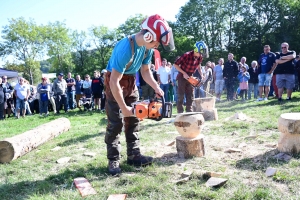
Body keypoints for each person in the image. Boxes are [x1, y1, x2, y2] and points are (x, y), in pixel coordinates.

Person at [104, 14, 174, 175]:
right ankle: (113, 160)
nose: (157, 46)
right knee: (115, 123)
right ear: (148, 35)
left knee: (134, 118)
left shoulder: (147, 49)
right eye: (156, 42)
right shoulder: (125, 48)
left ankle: (134, 154)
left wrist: (156, 86)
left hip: (130, 82)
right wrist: (124, 108)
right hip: (114, 81)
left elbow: (145, 71)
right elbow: (114, 81)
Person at [174, 41, 208, 113]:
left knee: (190, 94)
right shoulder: (187, 55)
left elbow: (199, 66)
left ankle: (189, 110)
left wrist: (201, 74)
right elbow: (176, 65)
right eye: (200, 52)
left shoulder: (200, 58)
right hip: (182, 75)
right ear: (196, 50)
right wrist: (184, 73)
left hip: (190, 76)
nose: (201, 54)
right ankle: (180, 111)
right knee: (181, 95)